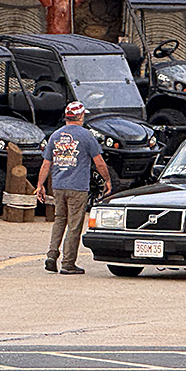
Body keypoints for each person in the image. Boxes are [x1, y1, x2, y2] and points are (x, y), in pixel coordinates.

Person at [35, 100, 112, 275]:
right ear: (80, 116)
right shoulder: (86, 135)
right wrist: (107, 180)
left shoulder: (55, 136)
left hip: (58, 185)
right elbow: (98, 162)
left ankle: (52, 255)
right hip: (78, 187)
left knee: (59, 220)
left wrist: (40, 185)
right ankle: (68, 263)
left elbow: (46, 164)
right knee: (74, 225)